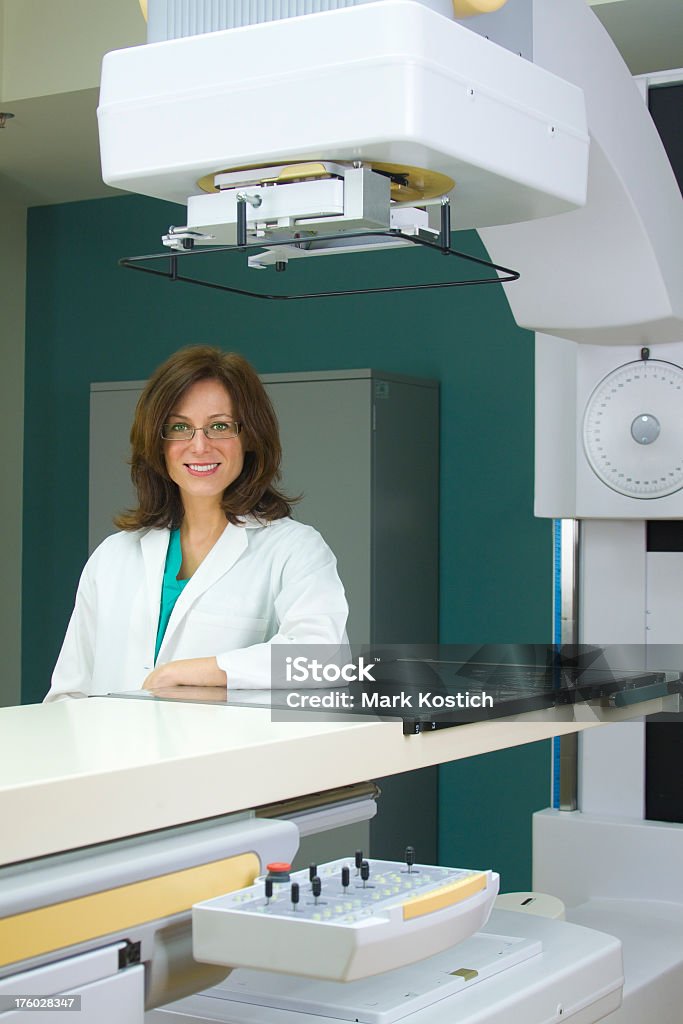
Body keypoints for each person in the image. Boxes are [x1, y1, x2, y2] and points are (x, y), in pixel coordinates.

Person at [45, 346, 348, 701]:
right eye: (179, 427)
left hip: (219, 756)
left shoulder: (294, 549)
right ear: (157, 443)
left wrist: (193, 672)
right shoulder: (113, 556)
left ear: (249, 436)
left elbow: (322, 657)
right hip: (115, 755)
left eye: (219, 426)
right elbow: (69, 694)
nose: (199, 446)